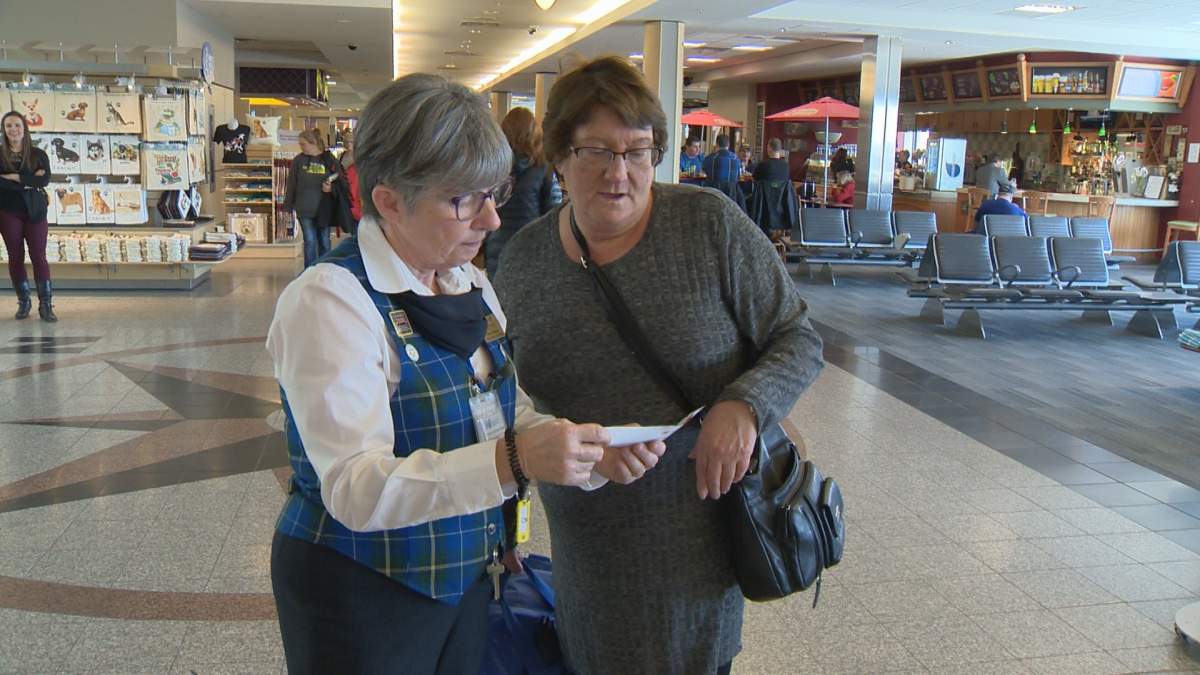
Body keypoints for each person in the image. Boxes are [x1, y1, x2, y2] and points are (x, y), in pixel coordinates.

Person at [267, 73, 666, 675]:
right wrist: (515, 461)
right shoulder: (332, 301)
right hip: (360, 594)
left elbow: (500, 407)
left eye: (494, 192)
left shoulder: (467, 282)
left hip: (467, 582)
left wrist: (581, 451)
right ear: (391, 199)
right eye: (464, 199)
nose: (491, 220)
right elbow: (353, 486)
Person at [493, 56, 824, 675]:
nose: (620, 173)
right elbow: (501, 399)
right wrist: (505, 523)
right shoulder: (525, 262)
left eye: (638, 151)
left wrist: (743, 405)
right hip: (587, 535)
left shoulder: (707, 225)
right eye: (597, 151)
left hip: (699, 534)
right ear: (560, 157)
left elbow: (798, 336)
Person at [485, 106, 562, 279]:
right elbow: (554, 213)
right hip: (532, 245)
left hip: (497, 245)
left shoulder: (494, 169)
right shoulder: (543, 168)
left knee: (497, 299)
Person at [0, 111, 55, 322]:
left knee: (39, 256)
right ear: (4, 130)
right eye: (8, 126)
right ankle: (24, 302)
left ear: (25, 128)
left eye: (17, 125)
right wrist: (29, 180)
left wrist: (13, 177)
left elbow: (44, 181)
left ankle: (46, 305)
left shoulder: (38, 154)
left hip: (35, 211)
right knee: (15, 257)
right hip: (8, 211)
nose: (13, 129)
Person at [284, 129, 344, 267]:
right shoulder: (298, 161)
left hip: (324, 208)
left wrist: (331, 188)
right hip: (304, 208)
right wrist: (288, 207)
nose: (301, 147)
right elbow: (292, 184)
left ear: (313, 143)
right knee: (310, 241)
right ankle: (309, 271)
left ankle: (325, 268)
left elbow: (341, 179)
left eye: (303, 144)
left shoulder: (329, 159)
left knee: (324, 240)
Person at [339, 129, 363, 227]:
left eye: (351, 142)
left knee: (357, 212)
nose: (349, 144)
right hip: (345, 186)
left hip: (357, 188)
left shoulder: (359, 156)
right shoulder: (342, 156)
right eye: (347, 142)